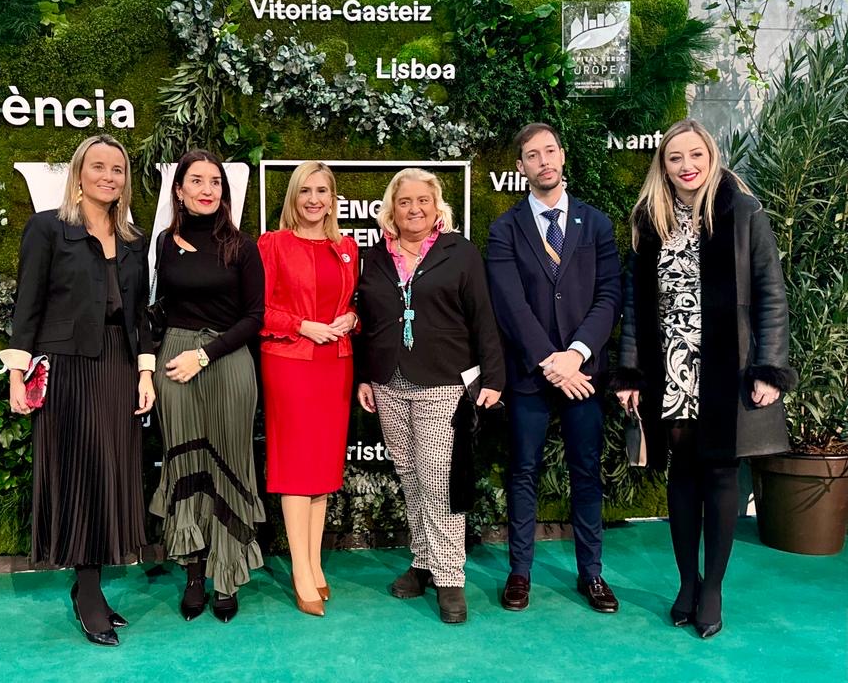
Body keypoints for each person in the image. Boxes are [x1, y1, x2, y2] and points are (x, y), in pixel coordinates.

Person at [612, 118, 795, 638]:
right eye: (675, 158)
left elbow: (771, 292)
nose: (687, 165)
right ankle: (686, 582)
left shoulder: (742, 210)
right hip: (668, 364)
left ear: (711, 156)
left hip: (725, 363)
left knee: (720, 472)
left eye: (695, 154)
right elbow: (634, 304)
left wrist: (769, 368)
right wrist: (630, 373)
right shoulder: (649, 219)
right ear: (663, 166)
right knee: (681, 472)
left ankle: (712, 587)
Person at [2, 134, 156, 647]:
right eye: (99, 166)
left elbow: (140, 315)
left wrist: (145, 373)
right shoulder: (48, 227)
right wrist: (18, 372)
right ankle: (88, 592)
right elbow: (28, 304)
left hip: (118, 367)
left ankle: (91, 586)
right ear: (79, 173)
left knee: (111, 474)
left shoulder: (133, 238)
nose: (108, 176)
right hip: (67, 368)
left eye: (117, 169)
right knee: (81, 475)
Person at [356, 167, 504, 624]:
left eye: (423, 200)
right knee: (410, 475)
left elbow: (483, 317)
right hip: (389, 381)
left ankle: (450, 576)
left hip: (443, 381)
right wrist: (365, 377)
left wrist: (494, 378)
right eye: (405, 201)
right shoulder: (375, 256)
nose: (414, 209)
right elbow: (369, 322)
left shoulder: (460, 252)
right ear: (391, 208)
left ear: (437, 206)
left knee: (439, 480)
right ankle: (423, 560)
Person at [487, 122, 622, 615]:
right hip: (530, 374)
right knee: (523, 472)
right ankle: (519, 573)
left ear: (562, 156)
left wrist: (576, 354)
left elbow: (610, 295)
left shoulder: (597, 224)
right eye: (532, 154)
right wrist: (552, 361)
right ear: (520, 166)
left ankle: (592, 574)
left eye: (549, 151)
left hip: (583, 374)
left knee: (586, 472)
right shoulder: (504, 229)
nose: (543, 161)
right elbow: (510, 305)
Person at [147, 149, 265, 623]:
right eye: (196, 180)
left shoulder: (242, 246)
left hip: (227, 360)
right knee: (186, 464)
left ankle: (227, 576)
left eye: (215, 181)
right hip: (175, 362)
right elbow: (160, 306)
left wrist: (205, 355)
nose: (206, 189)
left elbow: (254, 318)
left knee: (230, 465)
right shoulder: (164, 242)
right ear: (179, 190)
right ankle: (194, 574)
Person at [258, 161, 359, 617]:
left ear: (333, 199)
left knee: (321, 469)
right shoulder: (273, 244)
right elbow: (257, 309)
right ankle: (301, 570)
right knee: (297, 468)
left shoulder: (347, 247)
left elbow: (355, 303)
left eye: (322, 191)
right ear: (293, 198)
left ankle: (315, 564)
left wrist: (352, 318)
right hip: (290, 362)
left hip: (336, 363)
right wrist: (302, 325)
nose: (314, 199)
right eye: (305, 191)